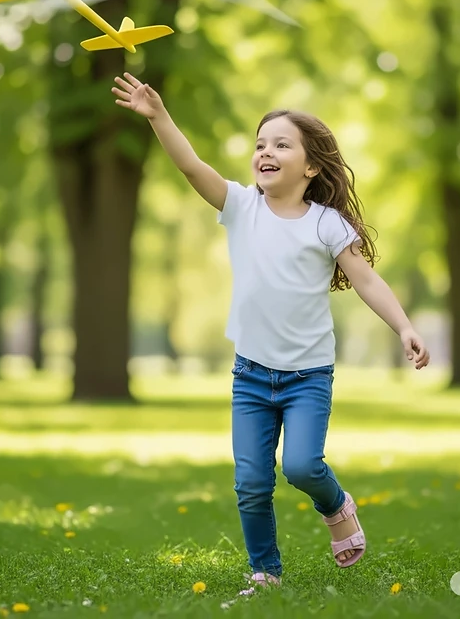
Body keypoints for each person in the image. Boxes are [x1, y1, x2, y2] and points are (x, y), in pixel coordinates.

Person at [111, 72, 430, 593]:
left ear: (310, 166)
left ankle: (337, 505)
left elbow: (368, 279)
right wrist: (158, 116)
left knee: (303, 466)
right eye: (260, 144)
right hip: (252, 374)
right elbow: (191, 167)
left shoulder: (326, 224)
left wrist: (404, 326)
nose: (266, 151)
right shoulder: (242, 207)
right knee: (252, 483)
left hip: (308, 376)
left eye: (282, 144)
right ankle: (265, 572)